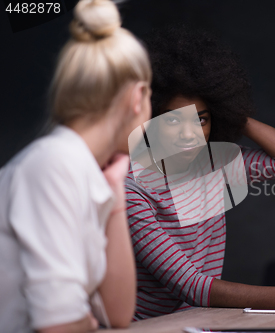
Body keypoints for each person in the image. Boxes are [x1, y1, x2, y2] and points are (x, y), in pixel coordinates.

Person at [125, 26, 275, 319]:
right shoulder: (131, 189)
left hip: (202, 322)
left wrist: (230, 112)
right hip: (148, 327)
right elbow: (191, 286)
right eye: (175, 120)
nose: (190, 135)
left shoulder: (214, 164)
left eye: (201, 119)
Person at [0, 0, 152, 331]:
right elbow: (60, 324)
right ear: (138, 97)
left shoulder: (85, 169)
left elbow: (117, 314)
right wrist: (86, 324)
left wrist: (116, 194)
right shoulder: (55, 165)